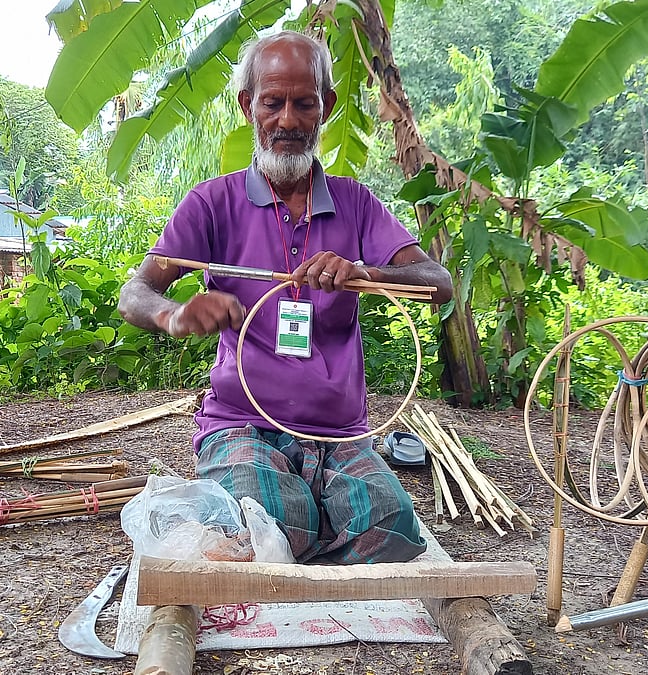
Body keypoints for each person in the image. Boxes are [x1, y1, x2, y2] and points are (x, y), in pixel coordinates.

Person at [117, 30, 453, 565]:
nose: (289, 121)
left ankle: (288, 542)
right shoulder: (211, 203)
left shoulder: (356, 203)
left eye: (305, 104)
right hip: (242, 424)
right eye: (273, 103)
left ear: (327, 107)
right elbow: (135, 294)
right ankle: (299, 534)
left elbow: (438, 282)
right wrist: (174, 314)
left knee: (389, 527)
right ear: (248, 106)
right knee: (275, 519)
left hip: (340, 434)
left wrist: (364, 271)